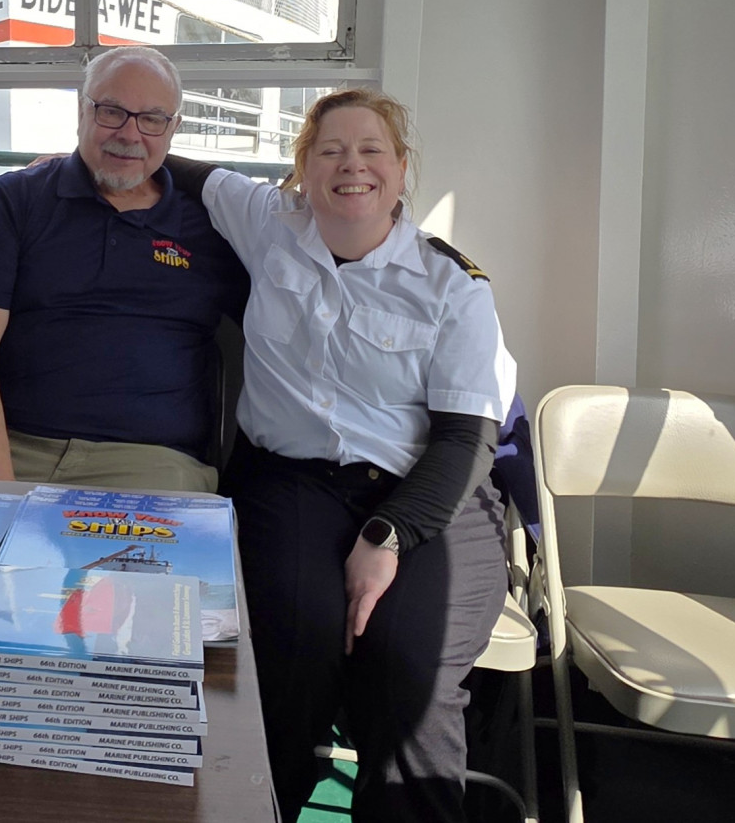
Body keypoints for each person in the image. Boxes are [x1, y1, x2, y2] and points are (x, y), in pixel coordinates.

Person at [177, 89, 515, 823]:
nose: (351, 166)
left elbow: (465, 441)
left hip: (429, 493)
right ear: (302, 169)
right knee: (290, 648)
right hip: (292, 482)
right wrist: (68, 161)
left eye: (371, 151)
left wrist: (386, 536)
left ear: (401, 169)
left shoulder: (452, 286)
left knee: (406, 668)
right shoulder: (269, 221)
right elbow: (181, 167)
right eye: (329, 150)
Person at [0, 45, 249, 491]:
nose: (130, 133)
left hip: (146, 461)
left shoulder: (211, 225)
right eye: (111, 112)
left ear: (173, 128)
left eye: (151, 119)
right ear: (82, 111)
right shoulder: (13, 202)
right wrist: (0, 495)